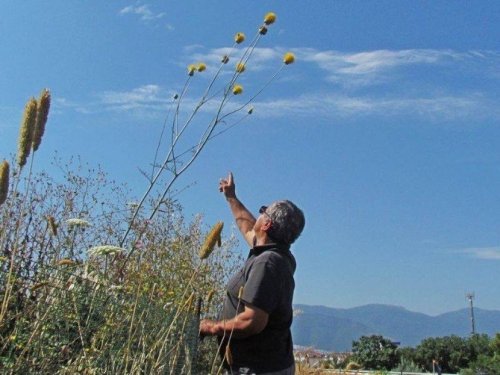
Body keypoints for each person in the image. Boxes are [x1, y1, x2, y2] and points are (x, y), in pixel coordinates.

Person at [199, 172, 305, 375]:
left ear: (266, 225)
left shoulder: (268, 263)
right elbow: (248, 227)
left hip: (259, 369)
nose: (259, 214)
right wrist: (231, 196)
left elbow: (252, 321)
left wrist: (213, 327)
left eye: (263, 211)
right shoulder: (273, 253)